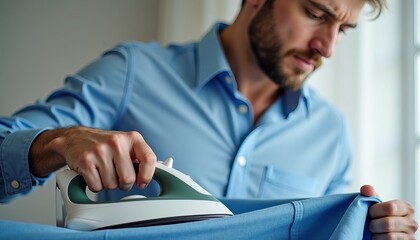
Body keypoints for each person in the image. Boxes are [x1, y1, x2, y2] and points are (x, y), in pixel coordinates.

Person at [0, 0, 417, 238]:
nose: (327, 47)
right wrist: (59, 141)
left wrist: (373, 231)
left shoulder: (329, 134)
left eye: (342, 30)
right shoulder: (134, 72)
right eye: (316, 13)